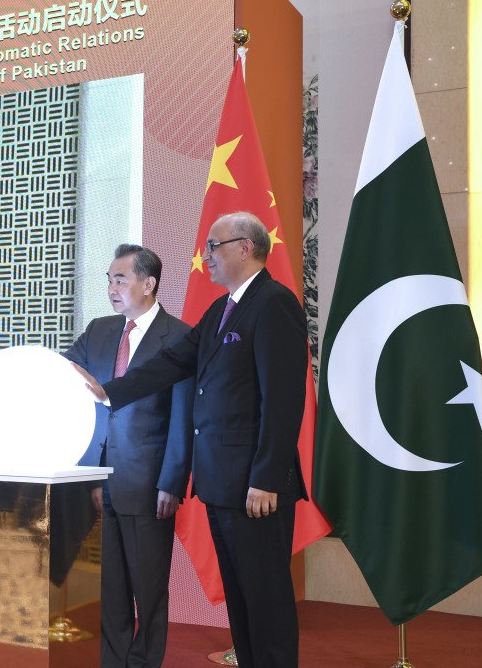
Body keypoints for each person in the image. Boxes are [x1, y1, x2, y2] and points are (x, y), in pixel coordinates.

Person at [76, 213, 309, 668]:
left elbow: (283, 402)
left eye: (214, 246)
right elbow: (173, 362)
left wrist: (266, 477)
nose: (207, 255)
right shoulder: (223, 309)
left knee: (266, 601)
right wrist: (111, 391)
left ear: (246, 248)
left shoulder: (274, 303)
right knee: (241, 603)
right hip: (223, 485)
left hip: (255, 488)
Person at [65, 244, 195, 668]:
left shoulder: (178, 337)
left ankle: (143, 662)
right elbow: (67, 376)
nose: (111, 288)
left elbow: (182, 416)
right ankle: (113, 661)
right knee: (110, 586)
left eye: (120, 279)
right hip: (98, 481)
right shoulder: (100, 330)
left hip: (148, 481)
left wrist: (172, 482)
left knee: (149, 587)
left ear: (148, 283)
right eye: (108, 279)